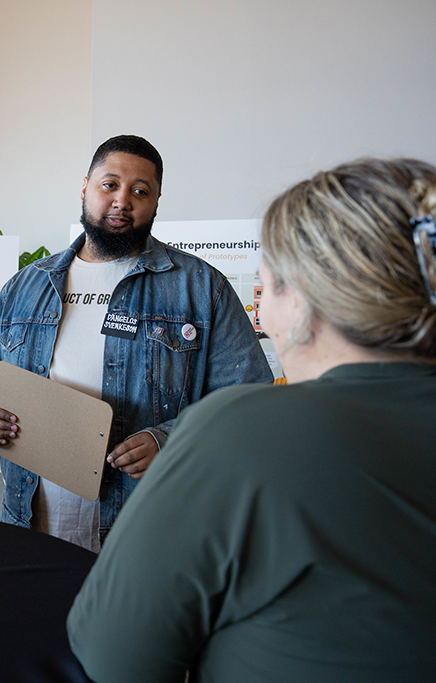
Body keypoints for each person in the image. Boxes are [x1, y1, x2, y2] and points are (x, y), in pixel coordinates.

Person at [67, 158, 436, 682]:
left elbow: (114, 656)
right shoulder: (33, 283)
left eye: (264, 288)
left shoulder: (236, 431)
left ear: (301, 302)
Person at [0, 135, 272, 551]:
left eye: (140, 191)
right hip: (30, 518)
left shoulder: (200, 288)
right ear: (85, 188)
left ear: (156, 202)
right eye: (109, 185)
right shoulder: (27, 285)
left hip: (147, 531)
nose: (122, 201)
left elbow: (248, 397)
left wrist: (169, 441)